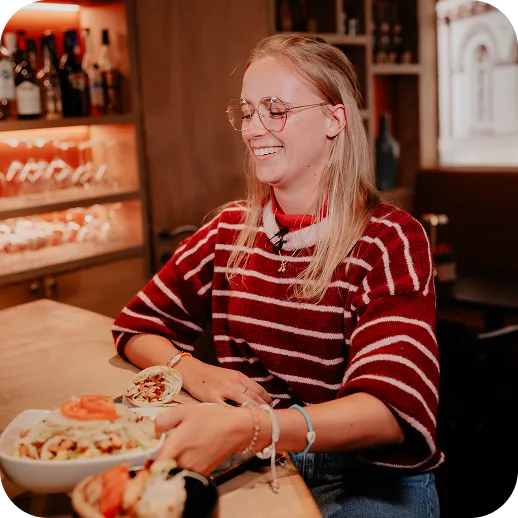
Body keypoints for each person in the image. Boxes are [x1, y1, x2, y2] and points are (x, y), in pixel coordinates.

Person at [112, 33, 442, 517]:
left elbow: (391, 410)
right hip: (253, 459)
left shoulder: (390, 239)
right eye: (247, 112)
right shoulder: (230, 229)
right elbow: (135, 325)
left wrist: (256, 428)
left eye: (275, 109)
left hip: (364, 477)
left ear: (335, 118)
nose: (254, 129)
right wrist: (195, 373)